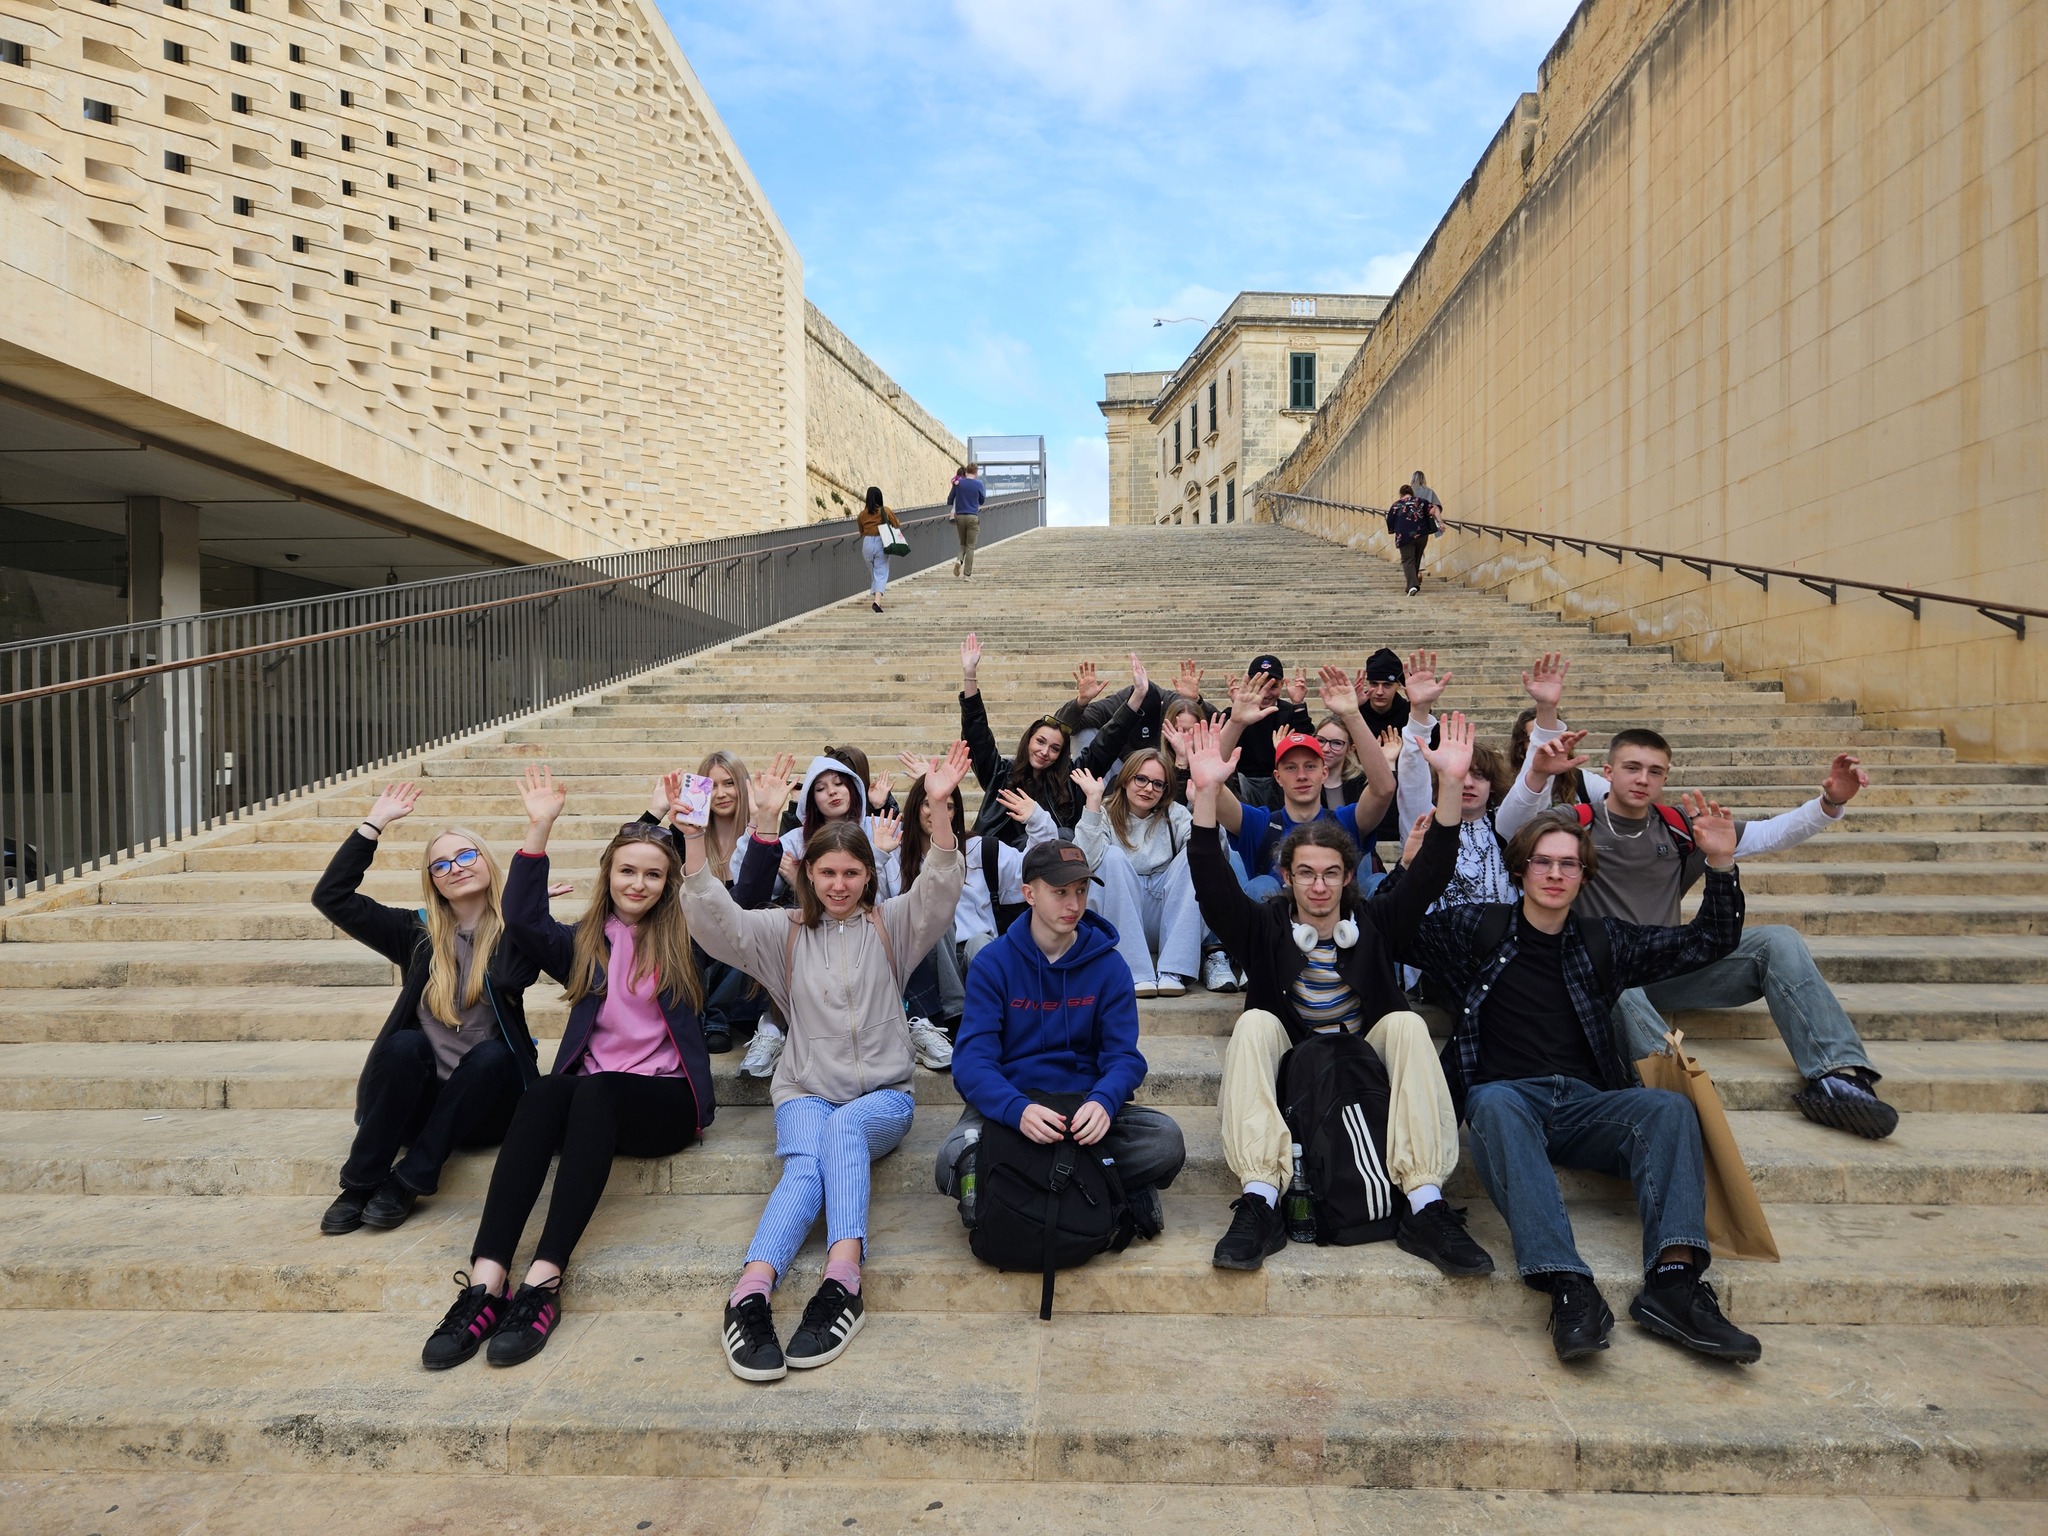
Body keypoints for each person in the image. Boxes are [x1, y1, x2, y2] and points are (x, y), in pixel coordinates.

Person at [1405, 807, 1764, 1365]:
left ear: (1583, 875)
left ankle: (1673, 1283)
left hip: (1585, 1105)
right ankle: (1568, 1283)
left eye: (1568, 864)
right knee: (1492, 1101)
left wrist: (1719, 863)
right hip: (1508, 1101)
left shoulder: (1604, 941)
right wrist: (1410, 871)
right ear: (1520, 870)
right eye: (1542, 862)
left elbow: (1707, 941)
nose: (1554, 874)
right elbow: (1395, 933)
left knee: (1668, 1110)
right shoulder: (1478, 929)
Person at [1497, 659, 1895, 1139]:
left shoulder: (1681, 828)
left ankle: (1837, 1077)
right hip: (1598, 973)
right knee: (1613, 977)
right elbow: (1513, 828)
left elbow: (1771, 834)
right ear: (1608, 772)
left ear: (1665, 778)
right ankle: (1673, 1094)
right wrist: (1536, 776)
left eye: (1655, 771)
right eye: (1632, 768)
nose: (1642, 779)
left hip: (1668, 965)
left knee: (1779, 940)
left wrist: (1829, 803)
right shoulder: (1576, 821)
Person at [684, 744, 972, 1384]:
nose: (839, 885)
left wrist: (940, 808)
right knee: (807, 1163)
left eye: (851, 873)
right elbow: (713, 920)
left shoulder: (893, 925)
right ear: (808, 875)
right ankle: (750, 1293)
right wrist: (693, 840)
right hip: (805, 1089)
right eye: (827, 873)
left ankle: (842, 1282)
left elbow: (940, 887)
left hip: (884, 1096)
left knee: (841, 1133)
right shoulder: (780, 932)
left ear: (868, 876)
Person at [420, 766, 715, 1371]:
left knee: (595, 1089)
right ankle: (486, 1284)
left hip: (665, 1101)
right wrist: (539, 828)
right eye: (627, 871)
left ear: (668, 883)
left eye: (653, 874)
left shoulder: (689, 939)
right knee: (547, 1091)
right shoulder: (584, 943)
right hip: (592, 1103)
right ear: (608, 876)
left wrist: (720, 833)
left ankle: (544, 1282)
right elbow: (524, 919)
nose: (638, 883)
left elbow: (736, 900)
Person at [1183, 714, 1495, 1279]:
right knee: (1253, 1024)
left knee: (1408, 1024)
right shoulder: (1265, 929)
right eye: (1306, 873)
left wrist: (1451, 785)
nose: (1319, 885)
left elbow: (1432, 872)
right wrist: (1206, 793)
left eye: (1331, 873)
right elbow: (1210, 882)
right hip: (1296, 1067)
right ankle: (1260, 1198)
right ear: (1287, 878)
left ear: (1349, 877)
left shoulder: (1374, 922)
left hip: (1361, 1061)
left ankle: (1425, 1202)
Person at [312, 783, 541, 1236]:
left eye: (466, 855)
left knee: (493, 1055)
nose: (455, 868)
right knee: (404, 1045)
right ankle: (359, 1184)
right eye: (441, 864)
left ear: (487, 862)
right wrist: (374, 824)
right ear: (432, 880)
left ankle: (408, 1182)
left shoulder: (516, 932)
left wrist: (524, 912)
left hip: (487, 1108)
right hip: (415, 1106)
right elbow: (331, 897)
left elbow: (520, 975)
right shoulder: (414, 932)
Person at [937, 838, 1188, 1235]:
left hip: (1083, 1105)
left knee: (1165, 1142)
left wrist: (1104, 1101)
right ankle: (1106, 1182)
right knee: (951, 1159)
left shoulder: (1109, 966)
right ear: (1029, 894)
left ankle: (1025, 1185)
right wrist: (1017, 1110)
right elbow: (972, 1063)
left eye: (1081, 891)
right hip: (1015, 1103)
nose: (1074, 904)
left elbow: (1123, 1057)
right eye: (1060, 892)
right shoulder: (993, 963)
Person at [1201, 664, 1396, 896]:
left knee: (1380, 883)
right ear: (1278, 777)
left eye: (1310, 766)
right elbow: (1210, 785)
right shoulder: (1260, 825)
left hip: (1340, 917)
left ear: (1324, 773)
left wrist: (1352, 716)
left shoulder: (1346, 822)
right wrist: (1236, 723)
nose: (1302, 775)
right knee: (1262, 886)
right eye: (1291, 767)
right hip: (1274, 917)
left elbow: (1383, 789)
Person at [896, 766, 1057, 1042]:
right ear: (915, 808)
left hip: (976, 959)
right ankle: (956, 1017)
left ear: (955, 812)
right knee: (937, 914)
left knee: (981, 942)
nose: (937, 810)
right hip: (926, 965)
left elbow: (1038, 869)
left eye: (947, 805)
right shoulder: (896, 857)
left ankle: (1012, 1019)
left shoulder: (979, 849)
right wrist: (879, 855)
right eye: (929, 803)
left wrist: (1038, 820)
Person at [958, 634, 1145, 845]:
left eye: (1055, 748)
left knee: (1065, 834)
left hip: (1052, 859)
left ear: (1061, 754)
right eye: (1040, 741)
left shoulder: (1073, 780)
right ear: (1028, 741)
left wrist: (1138, 695)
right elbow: (977, 735)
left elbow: (1108, 742)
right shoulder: (999, 774)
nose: (1045, 752)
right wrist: (970, 673)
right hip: (1001, 858)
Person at [642, 752, 762, 1056]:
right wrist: (656, 811)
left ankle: (715, 1018)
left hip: (742, 942)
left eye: (729, 783)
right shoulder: (685, 833)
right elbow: (624, 858)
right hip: (694, 936)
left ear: (744, 786)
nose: (721, 794)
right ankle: (703, 1015)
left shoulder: (762, 830)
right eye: (713, 785)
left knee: (743, 918)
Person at [1073, 750, 1203, 998]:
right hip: (1118, 917)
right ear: (1125, 779)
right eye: (1141, 779)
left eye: (1158, 784)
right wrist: (1092, 802)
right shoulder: (1104, 811)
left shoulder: (1174, 813)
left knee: (1195, 855)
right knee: (1112, 856)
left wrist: (1202, 807)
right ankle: (1134, 971)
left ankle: (1172, 971)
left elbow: (1213, 856)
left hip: (1162, 919)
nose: (1148, 789)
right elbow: (1085, 863)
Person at [1227, 654, 1313, 807]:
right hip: (1245, 782)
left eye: (1273, 687)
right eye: (1260, 686)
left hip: (1280, 780)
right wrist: (1237, 712)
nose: (1266, 693)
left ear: (1282, 685)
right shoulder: (1233, 714)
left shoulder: (1291, 711)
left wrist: (1298, 704)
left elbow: (1308, 745)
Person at [1385, 485, 1440, 596]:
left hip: (1404, 536)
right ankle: (1412, 584)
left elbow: (1390, 521)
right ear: (1411, 493)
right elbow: (1434, 509)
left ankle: (1412, 586)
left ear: (1401, 494)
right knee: (1416, 558)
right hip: (1421, 534)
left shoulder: (1395, 506)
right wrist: (1440, 523)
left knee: (1407, 560)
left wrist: (1393, 529)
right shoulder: (1421, 501)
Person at [856, 486, 902, 614]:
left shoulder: (862, 515)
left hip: (867, 543)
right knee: (881, 572)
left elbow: (861, 531)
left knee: (874, 572)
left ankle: (877, 597)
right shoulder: (885, 510)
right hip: (880, 541)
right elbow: (896, 524)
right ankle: (877, 601)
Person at [946, 463, 985, 578]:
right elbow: (982, 501)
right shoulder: (978, 484)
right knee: (970, 546)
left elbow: (950, 499)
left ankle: (959, 560)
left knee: (963, 543)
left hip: (960, 517)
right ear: (975, 473)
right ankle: (967, 575)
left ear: (966, 471)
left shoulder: (958, 483)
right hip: (972, 517)